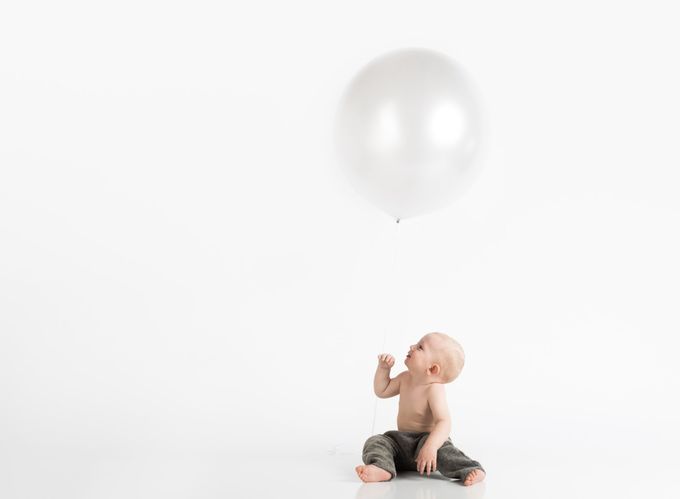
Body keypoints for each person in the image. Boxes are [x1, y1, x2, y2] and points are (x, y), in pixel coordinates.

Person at [355, 332, 485, 486]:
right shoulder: (405, 378)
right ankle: (383, 467)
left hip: (427, 443)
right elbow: (382, 391)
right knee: (376, 441)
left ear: (432, 369)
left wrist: (431, 446)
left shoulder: (434, 390)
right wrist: (383, 369)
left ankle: (469, 468)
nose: (412, 347)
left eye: (420, 347)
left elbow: (444, 422)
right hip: (401, 442)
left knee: (445, 452)